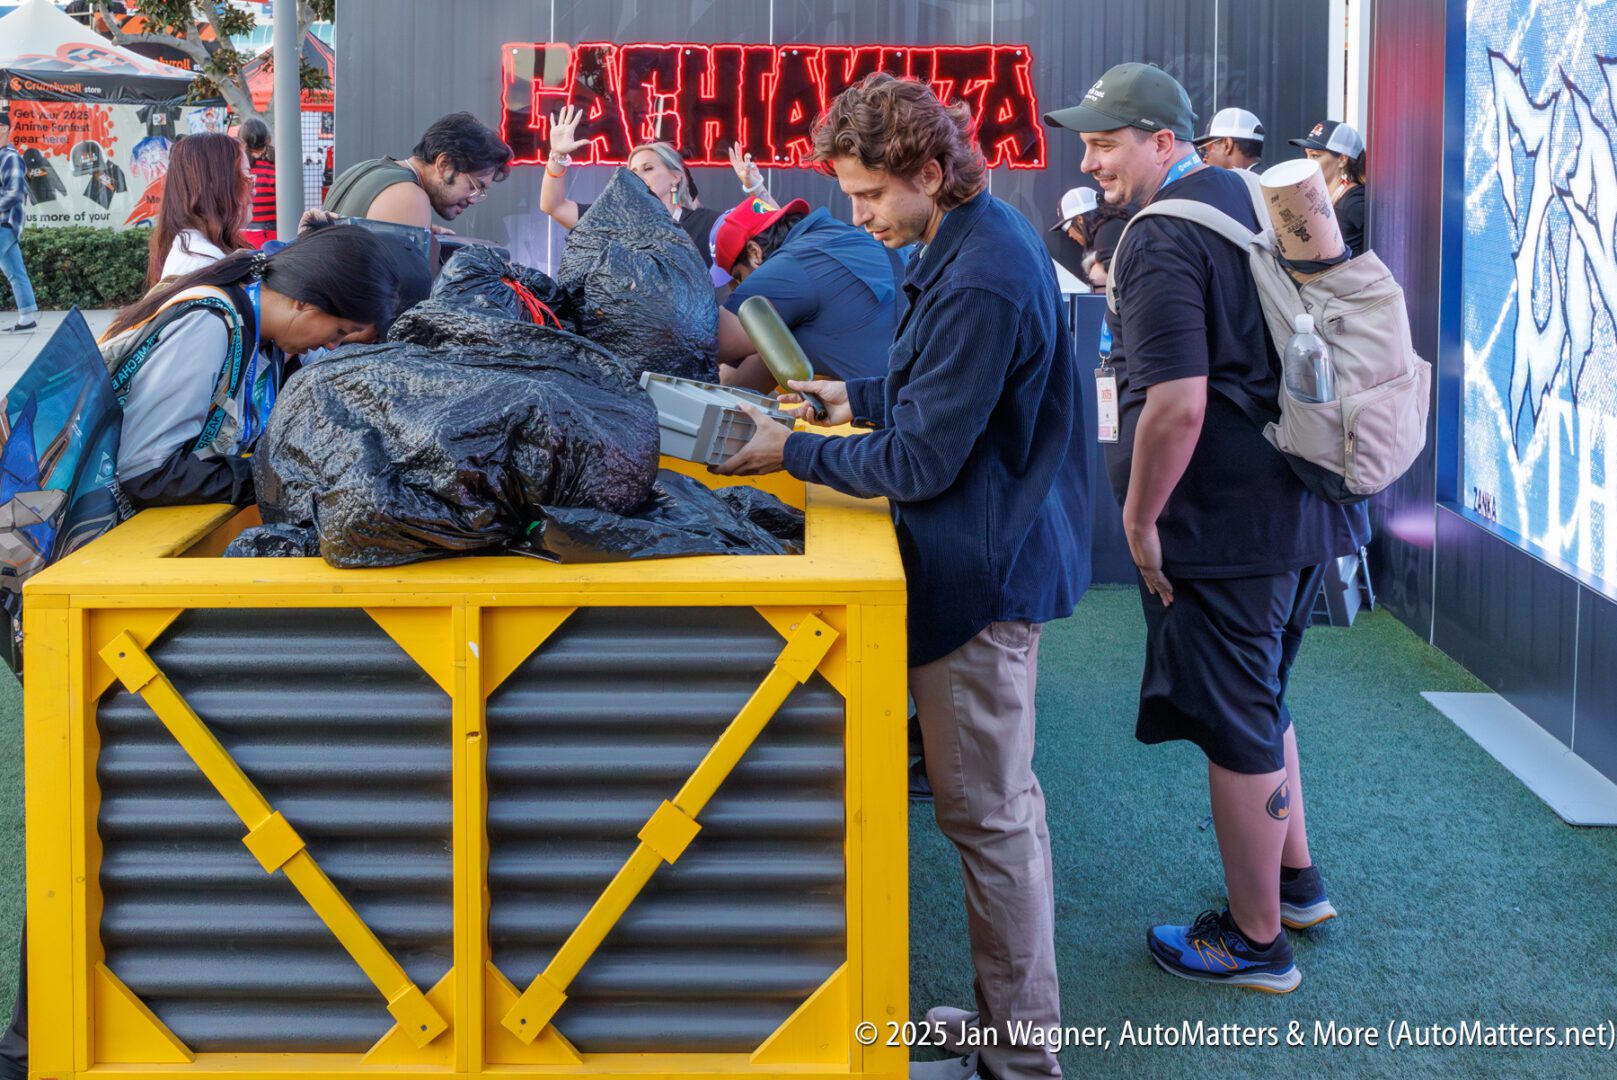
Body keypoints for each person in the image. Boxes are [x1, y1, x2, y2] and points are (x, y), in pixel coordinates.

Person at [717, 72, 1089, 1080]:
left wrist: (784, 451)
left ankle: (1022, 1058)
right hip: (983, 554)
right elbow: (943, 394)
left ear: (930, 170)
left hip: (982, 572)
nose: (858, 214)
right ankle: (1011, 1032)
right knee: (995, 815)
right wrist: (853, 394)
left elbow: (922, 460)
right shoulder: (972, 234)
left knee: (991, 818)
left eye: (871, 195)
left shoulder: (978, 270)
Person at [1045, 62, 1367, 993]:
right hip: (1303, 497)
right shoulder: (1251, 199)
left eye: (1107, 141)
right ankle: (1296, 885)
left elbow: (1176, 404)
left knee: (1238, 726)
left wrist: (1140, 519)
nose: (1091, 158)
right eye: (1089, 141)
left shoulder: (1157, 238)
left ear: (1164, 141)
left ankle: (1254, 939)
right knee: (1261, 702)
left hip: (1227, 525)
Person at [101, 225, 401, 508]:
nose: (332, 346)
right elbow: (147, 473)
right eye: (339, 331)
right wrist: (272, 478)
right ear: (304, 301)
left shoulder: (261, 333)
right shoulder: (208, 326)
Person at [539, 104, 773, 266]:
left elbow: (774, 228)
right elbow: (554, 206)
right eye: (633, 171)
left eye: (648, 168)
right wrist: (557, 156)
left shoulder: (705, 223)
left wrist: (755, 187)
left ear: (675, 177)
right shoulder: (615, 221)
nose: (639, 175)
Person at [711, 194, 903, 389]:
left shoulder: (788, 267)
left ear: (754, 253)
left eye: (739, 277)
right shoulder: (841, 237)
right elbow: (745, 378)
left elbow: (705, 342)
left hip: (899, 404)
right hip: (917, 391)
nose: (738, 287)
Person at [323, 111, 512, 230]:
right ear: (444, 164)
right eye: (474, 186)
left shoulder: (364, 169)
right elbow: (407, 291)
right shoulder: (409, 197)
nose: (472, 199)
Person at [148, 132, 252, 286]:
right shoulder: (202, 266)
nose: (254, 190)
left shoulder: (199, 253)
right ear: (214, 185)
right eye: (245, 178)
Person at [1291, 119, 1368, 254]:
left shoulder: (1354, 201)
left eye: (1315, 156)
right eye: (1307, 155)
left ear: (1342, 160)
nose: (1308, 162)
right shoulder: (1325, 196)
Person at [0, 107, 39, 334]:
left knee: (15, 272)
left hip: (5, 224)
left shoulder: (10, 158)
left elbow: (14, 194)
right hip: (7, 225)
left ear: (4, 128)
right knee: (15, 271)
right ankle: (27, 317)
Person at [1195, 107, 1266, 172]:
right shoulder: (1268, 181)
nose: (1204, 159)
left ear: (1227, 145)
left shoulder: (1241, 184)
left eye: (1205, 151)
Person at [240, 117, 278, 232]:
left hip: (243, 226)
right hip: (271, 228)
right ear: (269, 140)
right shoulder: (275, 168)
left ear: (242, 142)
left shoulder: (236, 169)